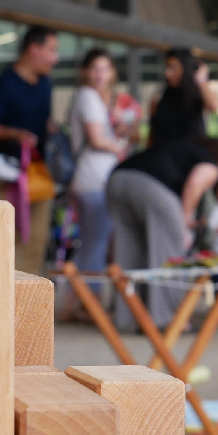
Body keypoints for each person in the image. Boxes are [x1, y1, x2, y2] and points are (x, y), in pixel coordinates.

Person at [107, 136, 218, 330]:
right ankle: (170, 320)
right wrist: (184, 222)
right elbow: (196, 183)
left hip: (116, 180)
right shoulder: (208, 161)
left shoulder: (177, 147)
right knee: (170, 256)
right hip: (152, 187)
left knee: (129, 252)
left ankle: (129, 319)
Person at [0, 26, 59, 273]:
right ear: (33, 49)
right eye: (51, 50)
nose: (55, 58)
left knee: (36, 241)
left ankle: (29, 295)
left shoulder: (45, 84)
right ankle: (1, 294)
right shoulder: (3, 84)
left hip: (37, 173)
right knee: (5, 241)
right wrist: (15, 134)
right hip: (5, 175)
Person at [68, 48, 128, 281]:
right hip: (94, 180)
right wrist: (119, 146)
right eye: (95, 68)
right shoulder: (88, 96)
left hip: (90, 180)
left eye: (105, 69)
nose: (100, 74)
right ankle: (85, 297)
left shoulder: (89, 97)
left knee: (91, 243)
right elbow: (96, 139)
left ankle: (78, 296)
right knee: (95, 246)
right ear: (85, 71)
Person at [148, 46, 218, 148]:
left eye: (173, 68)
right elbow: (152, 134)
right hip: (165, 154)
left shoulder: (196, 93)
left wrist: (201, 79)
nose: (167, 73)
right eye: (167, 67)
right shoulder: (160, 96)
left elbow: (214, 106)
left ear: (185, 68)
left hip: (192, 153)